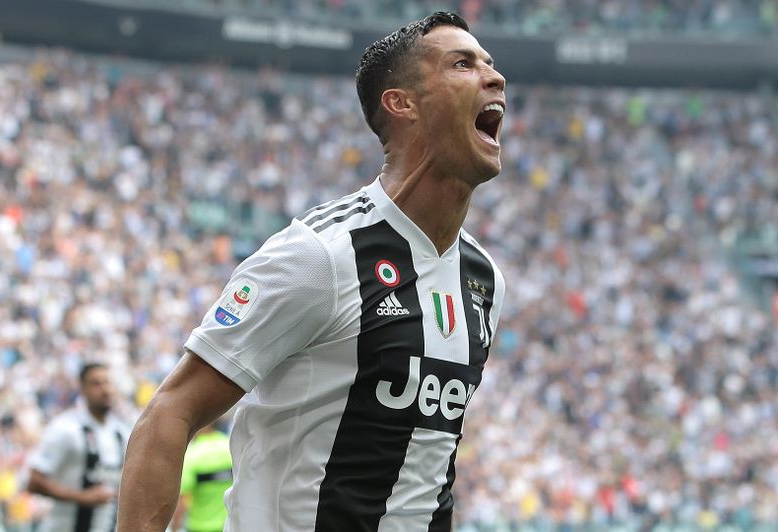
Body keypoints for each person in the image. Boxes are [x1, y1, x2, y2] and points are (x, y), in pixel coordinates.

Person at [117, 11, 507, 531]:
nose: (494, 76)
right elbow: (170, 411)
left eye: (490, 63)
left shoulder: (482, 279)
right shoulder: (320, 254)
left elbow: (426, 472)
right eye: (462, 63)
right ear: (402, 104)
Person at [27, 363, 130, 532]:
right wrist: (82, 497)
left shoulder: (122, 433)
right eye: (96, 384)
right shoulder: (65, 428)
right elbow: (34, 482)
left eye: (107, 382)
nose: (105, 389)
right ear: (83, 389)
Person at [171, 424, 233, 532]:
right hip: (228, 526)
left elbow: (180, 500)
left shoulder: (192, 454)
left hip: (199, 527)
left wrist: (174, 528)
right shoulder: (230, 446)